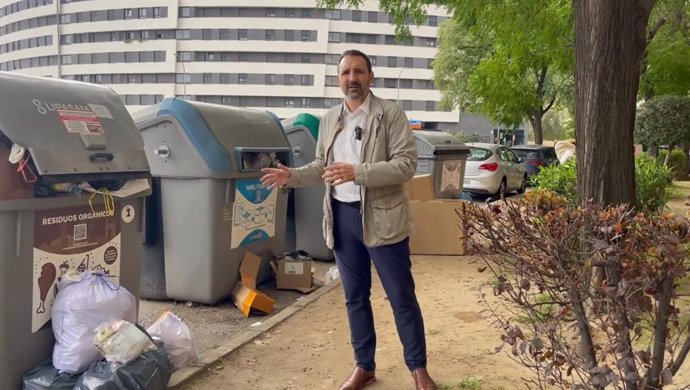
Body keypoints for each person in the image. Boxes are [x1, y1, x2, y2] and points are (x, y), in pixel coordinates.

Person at [261, 49, 436, 390]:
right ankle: (364, 366)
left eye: (358, 71)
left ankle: (418, 368)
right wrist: (292, 176)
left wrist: (358, 172)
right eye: (345, 73)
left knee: (401, 296)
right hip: (341, 218)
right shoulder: (329, 119)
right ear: (338, 80)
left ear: (371, 77)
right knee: (355, 296)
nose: (352, 78)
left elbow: (406, 165)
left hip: (383, 220)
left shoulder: (390, 114)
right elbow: (320, 168)